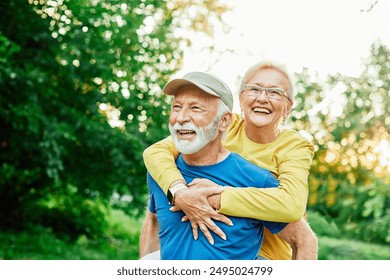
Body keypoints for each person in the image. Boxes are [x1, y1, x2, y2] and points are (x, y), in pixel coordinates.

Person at [142, 61, 317, 260]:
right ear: (241, 99)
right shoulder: (220, 125)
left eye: (275, 92)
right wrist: (179, 192)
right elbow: (155, 152)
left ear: (288, 107)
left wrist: (217, 196)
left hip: (265, 255)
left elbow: (292, 207)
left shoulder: (293, 148)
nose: (262, 98)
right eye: (254, 89)